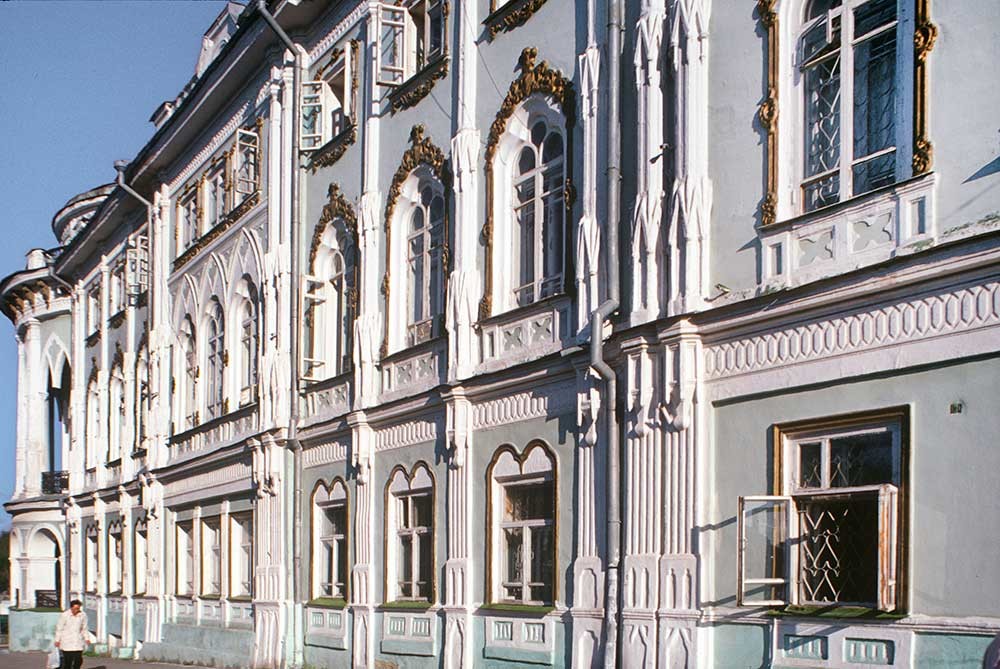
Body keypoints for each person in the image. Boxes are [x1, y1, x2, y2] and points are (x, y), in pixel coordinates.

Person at [53, 599, 88, 669]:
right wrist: (57, 640)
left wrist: (87, 638)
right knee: (68, 661)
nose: (77, 610)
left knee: (78, 660)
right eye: (75, 608)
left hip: (78, 641)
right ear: (71, 607)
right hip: (67, 642)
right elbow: (59, 628)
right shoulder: (64, 615)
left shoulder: (83, 615)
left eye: (78, 608)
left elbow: (85, 628)